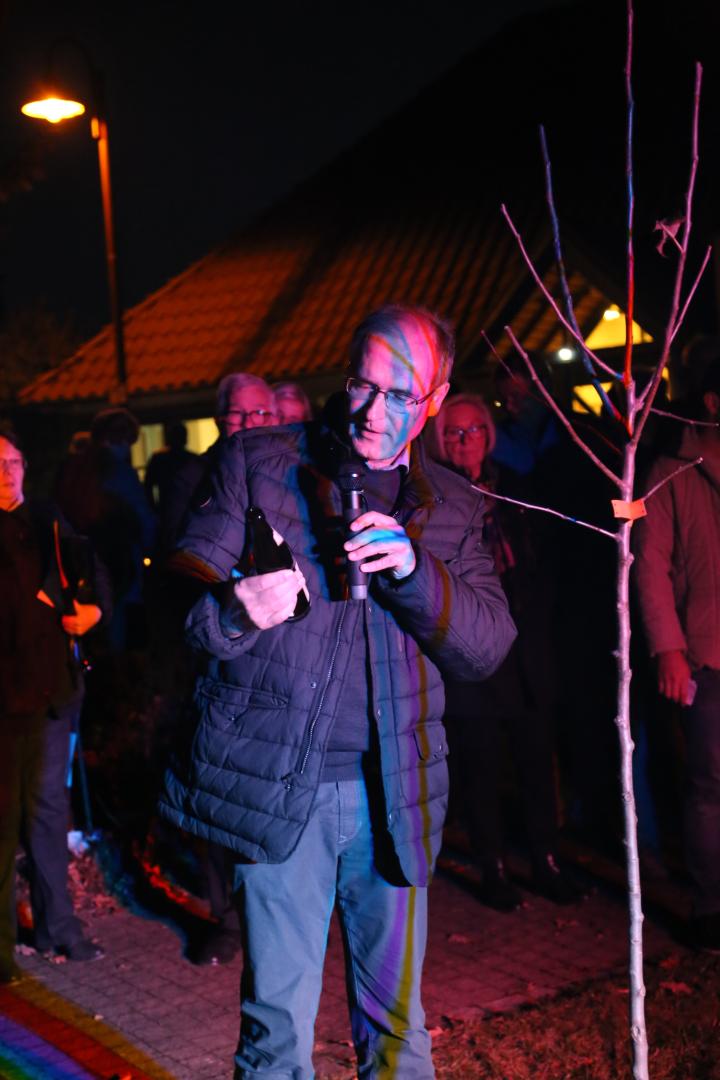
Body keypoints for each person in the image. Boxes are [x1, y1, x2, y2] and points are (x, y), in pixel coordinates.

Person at [159, 304, 516, 1078]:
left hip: (398, 796)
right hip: (284, 791)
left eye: (400, 395)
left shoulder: (452, 506)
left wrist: (416, 574)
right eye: (363, 383)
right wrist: (232, 610)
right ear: (344, 372)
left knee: (397, 1033)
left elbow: (488, 647)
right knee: (276, 1034)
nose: (372, 412)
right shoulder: (260, 462)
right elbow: (181, 605)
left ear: (435, 397)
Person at [434, 393, 584, 909]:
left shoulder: (518, 490)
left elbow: (547, 562)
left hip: (525, 651)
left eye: (474, 430)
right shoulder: (432, 498)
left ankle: (545, 858)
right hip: (469, 655)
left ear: (489, 435)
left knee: (536, 759)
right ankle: (491, 865)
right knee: (479, 765)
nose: (464, 441)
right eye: (453, 432)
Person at [151, 372, 278, 966]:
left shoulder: (289, 472)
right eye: (237, 416)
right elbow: (184, 563)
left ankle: (268, 913)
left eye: (260, 415)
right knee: (210, 785)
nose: (249, 426)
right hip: (211, 648)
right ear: (219, 418)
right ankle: (221, 915)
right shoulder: (190, 476)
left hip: (277, 660)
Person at [0, 429, 109, 983]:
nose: (7, 472)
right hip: (5, 703)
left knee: (45, 813)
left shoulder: (47, 521)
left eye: (15, 461)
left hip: (50, 697)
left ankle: (56, 929)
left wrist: (92, 612)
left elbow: (96, 575)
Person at [634, 358, 720, 951]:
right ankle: (711, 905)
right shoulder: (670, 471)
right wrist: (669, 647)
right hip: (707, 655)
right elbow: (652, 568)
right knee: (709, 784)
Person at [144, 421, 197, 514]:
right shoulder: (192, 459)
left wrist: (153, 508)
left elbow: (148, 486)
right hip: (187, 508)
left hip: (167, 508)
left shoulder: (159, 459)